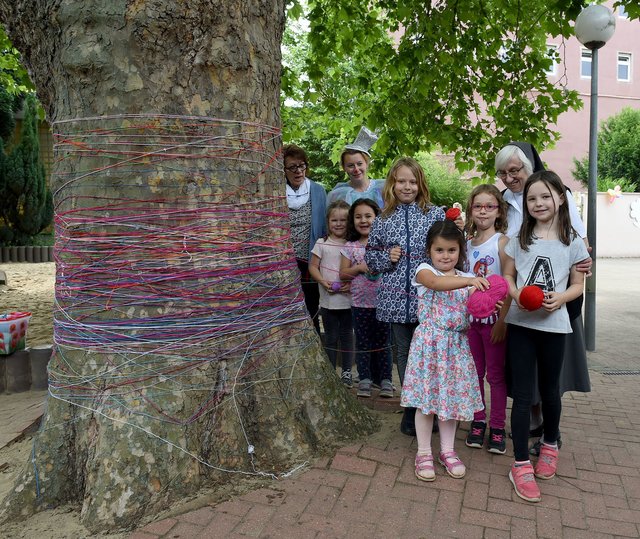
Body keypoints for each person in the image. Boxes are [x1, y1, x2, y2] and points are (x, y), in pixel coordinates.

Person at [495, 142, 592, 449]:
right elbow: (506, 263)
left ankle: (551, 436)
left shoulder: (561, 207)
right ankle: (527, 441)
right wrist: (513, 292)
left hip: (555, 310)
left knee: (551, 381)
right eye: (503, 173)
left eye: (515, 170)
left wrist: (565, 292)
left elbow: (579, 256)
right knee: (523, 382)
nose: (510, 178)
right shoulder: (509, 212)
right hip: (521, 310)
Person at [503, 170, 589, 503]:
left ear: (561, 198)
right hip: (521, 326)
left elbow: (579, 284)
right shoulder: (520, 237)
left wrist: (561, 298)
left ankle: (550, 444)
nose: (538, 203)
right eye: (531, 198)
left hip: (555, 327)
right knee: (523, 395)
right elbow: (508, 275)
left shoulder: (573, 241)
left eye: (545, 196)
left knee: (551, 391)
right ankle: (521, 462)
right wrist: (517, 293)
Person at [365, 157, 445, 436]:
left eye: (412, 181)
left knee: (430, 353)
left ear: (420, 183)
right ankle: (411, 408)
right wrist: (387, 257)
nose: (407, 186)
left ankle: (430, 408)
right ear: (392, 184)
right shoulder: (383, 218)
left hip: (429, 299)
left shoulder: (434, 214)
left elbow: (447, 248)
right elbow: (371, 257)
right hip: (395, 300)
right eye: (401, 181)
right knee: (404, 353)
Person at [401, 220, 487, 481]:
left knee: (450, 402)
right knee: (426, 404)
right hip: (430, 345)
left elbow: (477, 307)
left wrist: (488, 300)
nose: (445, 256)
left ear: (460, 251)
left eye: (451, 250)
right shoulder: (424, 271)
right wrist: (471, 281)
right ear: (430, 250)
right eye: (439, 250)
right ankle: (424, 452)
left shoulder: (466, 278)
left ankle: (448, 451)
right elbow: (437, 284)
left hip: (457, 347)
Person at [464, 184, 511, 454]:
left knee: (495, 376)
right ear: (471, 209)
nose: (483, 210)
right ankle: (478, 420)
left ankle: (497, 426)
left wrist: (503, 321)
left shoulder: (502, 243)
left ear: (498, 211)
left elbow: (508, 284)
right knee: (474, 374)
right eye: (478, 205)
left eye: (489, 206)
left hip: (493, 323)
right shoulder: (466, 244)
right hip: (471, 324)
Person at [340, 198, 393, 398]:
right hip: (360, 304)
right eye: (358, 217)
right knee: (363, 342)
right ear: (352, 221)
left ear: (377, 218)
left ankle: (386, 379)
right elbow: (343, 274)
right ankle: (365, 379)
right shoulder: (351, 246)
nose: (364, 220)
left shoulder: (386, 245)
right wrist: (359, 268)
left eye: (368, 216)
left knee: (383, 342)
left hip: (384, 304)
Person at [309, 200, 354, 387]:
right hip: (328, 301)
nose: (339, 223)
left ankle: (347, 372)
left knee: (347, 336)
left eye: (343, 220)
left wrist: (350, 285)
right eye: (334, 220)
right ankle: (330, 372)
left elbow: (359, 272)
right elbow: (313, 266)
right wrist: (322, 281)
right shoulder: (322, 243)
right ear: (328, 222)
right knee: (330, 336)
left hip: (348, 301)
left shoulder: (353, 245)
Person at [284, 144, 327, 334]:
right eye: (292, 167)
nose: (298, 171)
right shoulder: (277, 192)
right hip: (285, 263)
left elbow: (324, 227)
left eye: (302, 166)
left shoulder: (317, 190)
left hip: (310, 261)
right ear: (283, 170)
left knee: (311, 307)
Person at [328, 127, 385, 209]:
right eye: (350, 165)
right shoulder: (338, 194)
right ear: (344, 168)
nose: (356, 169)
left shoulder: (382, 188)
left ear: (367, 163)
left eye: (359, 164)